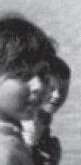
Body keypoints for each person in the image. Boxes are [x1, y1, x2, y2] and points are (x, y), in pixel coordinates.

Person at [0, 15, 56, 165]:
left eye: (43, 74)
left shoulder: (11, 135)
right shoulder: (6, 151)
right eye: (24, 75)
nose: (38, 86)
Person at [22, 55, 70, 165]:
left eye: (63, 90)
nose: (57, 95)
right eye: (52, 89)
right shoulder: (29, 122)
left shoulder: (43, 114)